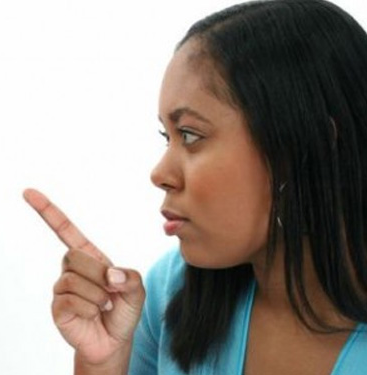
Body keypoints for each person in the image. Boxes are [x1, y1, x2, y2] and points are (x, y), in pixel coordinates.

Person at [25, 0, 367, 374]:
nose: (160, 173)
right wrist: (102, 365)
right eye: (166, 136)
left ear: (308, 146)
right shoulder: (168, 293)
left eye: (190, 134)